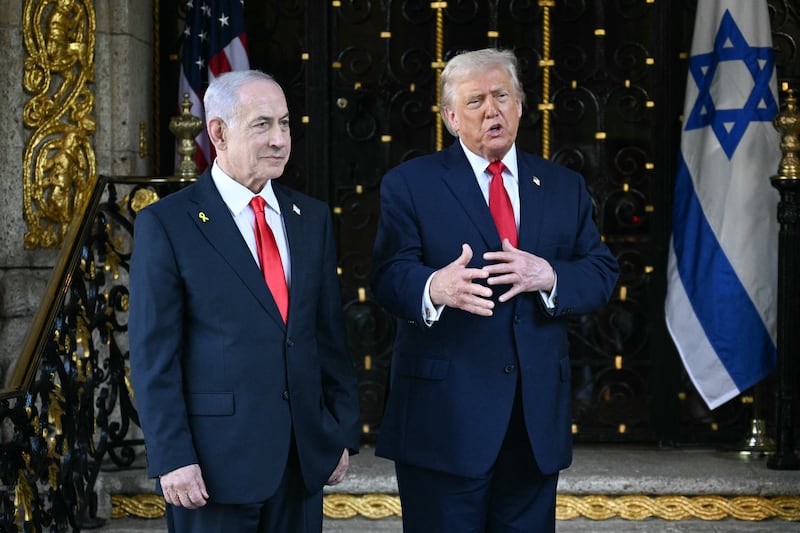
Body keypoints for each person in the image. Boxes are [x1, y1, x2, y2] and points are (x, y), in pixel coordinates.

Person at [371, 48, 619, 532]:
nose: (492, 110)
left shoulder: (563, 186)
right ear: (450, 117)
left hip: (532, 427)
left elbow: (602, 271)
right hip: (443, 423)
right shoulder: (411, 184)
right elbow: (386, 275)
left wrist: (549, 276)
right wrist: (433, 286)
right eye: (476, 101)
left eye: (502, 96)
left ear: (521, 106)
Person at [129, 70, 361, 533]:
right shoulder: (168, 224)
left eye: (285, 123)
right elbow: (154, 356)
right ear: (218, 132)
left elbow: (327, 336)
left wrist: (340, 432)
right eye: (262, 125)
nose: (279, 139)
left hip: (302, 460)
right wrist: (172, 456)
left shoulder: (310, 217)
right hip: (214, 468)